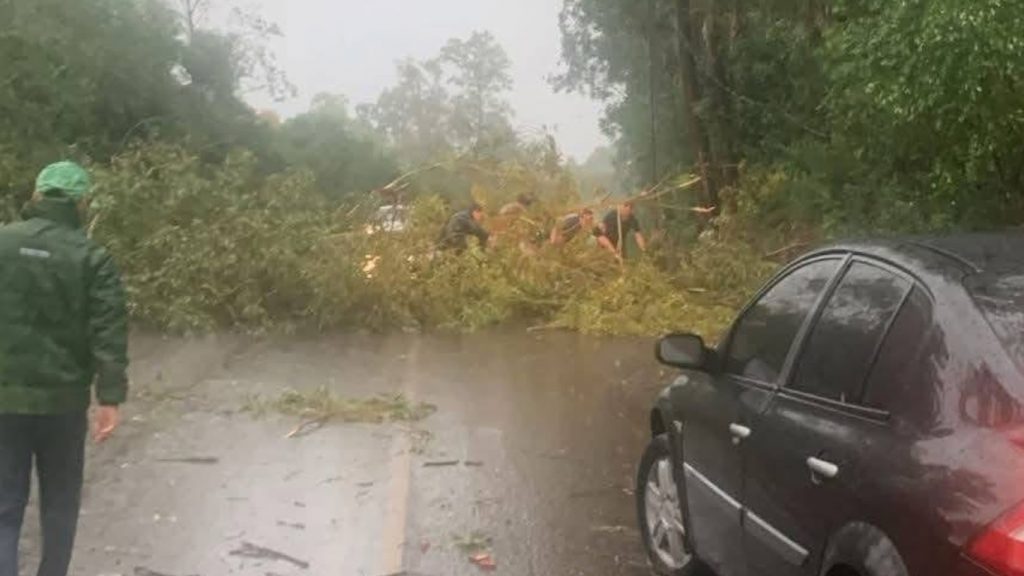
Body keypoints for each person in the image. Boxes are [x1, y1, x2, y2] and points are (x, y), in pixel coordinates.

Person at [0, 162, 129, 576]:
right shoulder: (92, 258)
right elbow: (108, 331)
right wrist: (109, 398)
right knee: (59, 504)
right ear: (81, 203)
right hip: (63, 405)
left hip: (4, 401)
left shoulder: (3, 243)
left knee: (4, 507)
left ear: (37, 196)